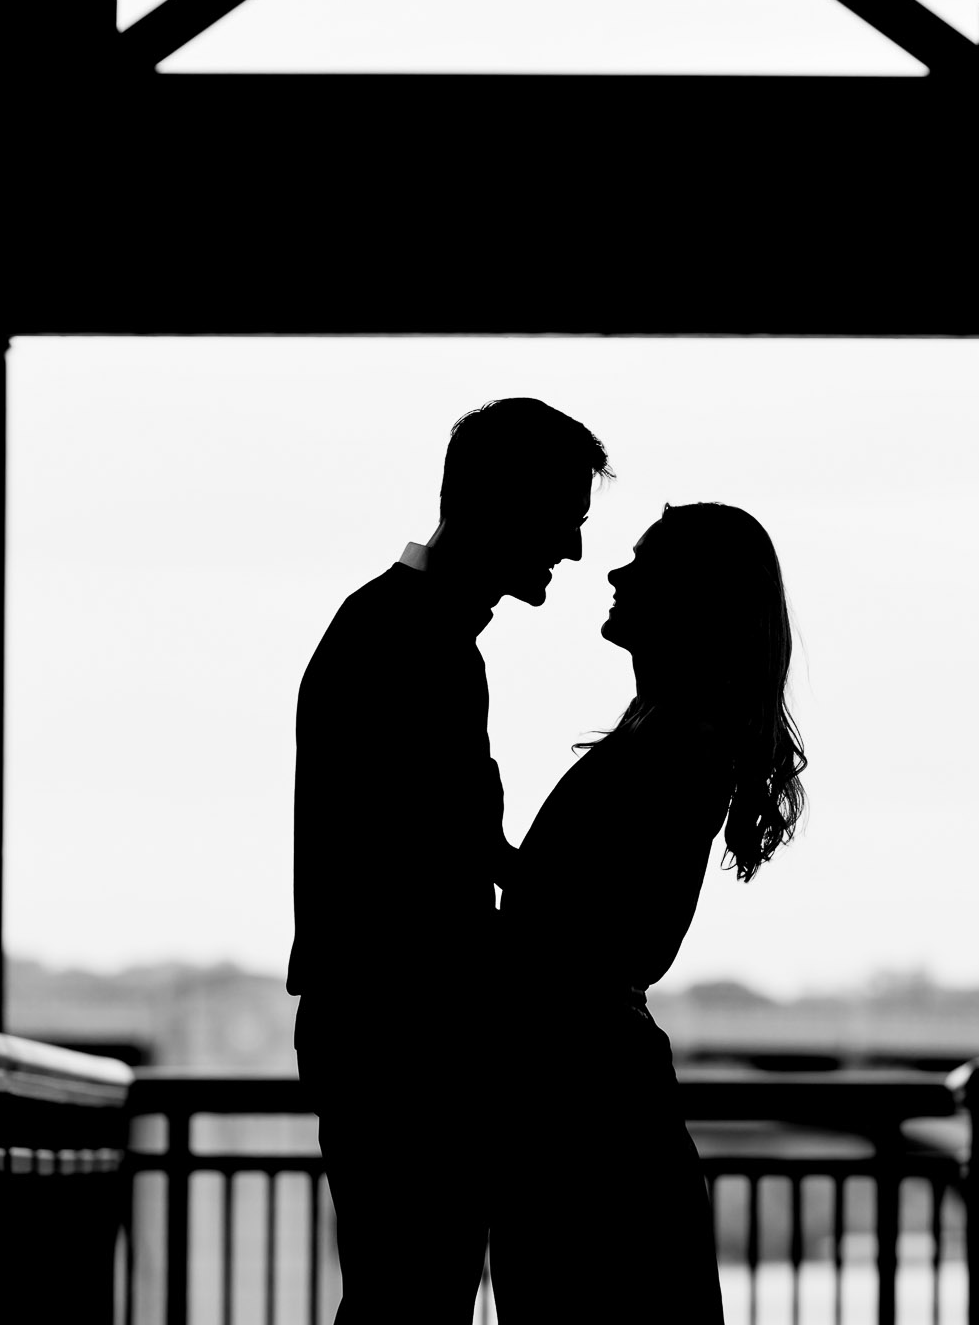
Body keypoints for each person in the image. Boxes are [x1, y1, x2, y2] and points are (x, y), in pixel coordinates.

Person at [287, 397, 612, 1322]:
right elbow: (433, 871)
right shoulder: (414, 645)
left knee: (405, 1294)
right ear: (498, 503)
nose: (575, 552)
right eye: (564, 522)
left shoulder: (393, 630)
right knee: (414, 1297)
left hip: (382, 1026)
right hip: (405, 1035)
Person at [490, 502, 807, 1323]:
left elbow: (607, 929)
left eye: (644, 564)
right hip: (595, 1093)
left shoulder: (676, 740)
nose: (616, 574)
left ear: (689, 599)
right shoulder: (676, 735)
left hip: (581, 1106)